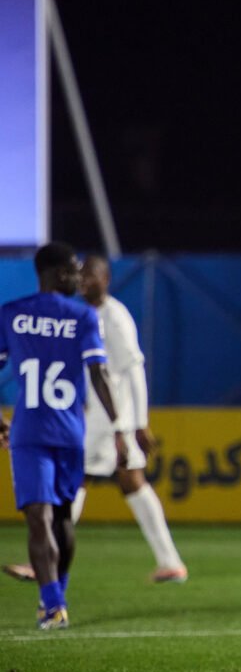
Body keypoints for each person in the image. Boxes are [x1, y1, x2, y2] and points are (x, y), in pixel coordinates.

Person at [3, 255, 187, 584]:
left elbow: (134, 370)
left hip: (110, 421)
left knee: (75, 482)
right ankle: (170, 562)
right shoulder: (87, 315)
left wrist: (137, 423)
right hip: (101, 419)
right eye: (80, 274)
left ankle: (45, 561)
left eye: (91, 275)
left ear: (106, 279)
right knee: (130, 483)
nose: (84, 280)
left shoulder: (114, 317)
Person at [0, 242, 126, 629]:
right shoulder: (83, 316)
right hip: (71, 431)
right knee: (61, 519)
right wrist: (120, 428)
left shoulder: (12, 313)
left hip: (29, 433)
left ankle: (53, 603)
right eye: (73, 269)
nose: (78, 276)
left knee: (40, 518)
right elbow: (98, 374)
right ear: (56, 273)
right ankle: (55, 601)